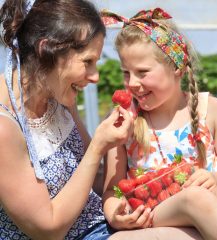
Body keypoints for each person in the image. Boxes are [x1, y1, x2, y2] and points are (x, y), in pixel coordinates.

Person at [102, 8, 217, 240]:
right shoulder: (123, 121)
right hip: (159, 213)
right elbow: (112, 190)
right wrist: (115, 214)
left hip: (214, 207)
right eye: (126, 73)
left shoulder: (211, 109)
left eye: (142, 72)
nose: (132, 83)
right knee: (193, 198)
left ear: (177, 68)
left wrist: (215, 178)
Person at [0, 0, 134, 239]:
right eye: (87, 62)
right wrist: (98, 147)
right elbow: (47, 229)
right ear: (47, 50)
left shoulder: (56, 93)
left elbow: (93, 177)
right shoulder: (4, 126)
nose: (95, 77)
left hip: (99, 226)